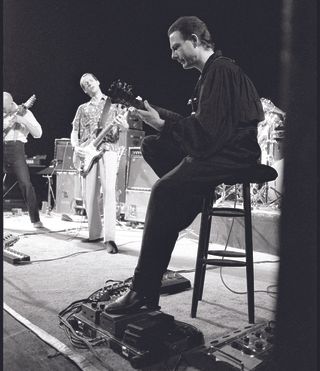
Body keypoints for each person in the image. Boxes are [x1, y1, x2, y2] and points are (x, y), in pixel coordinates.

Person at [105, 16, 265, 314]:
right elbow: (202, 127)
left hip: (232, 155)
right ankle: (191, 195)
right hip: (223, 149)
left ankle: (143, 292)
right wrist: (156, 118)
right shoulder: (212, 73)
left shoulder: (220, 71)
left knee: (164, 192)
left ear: (195, 40)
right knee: (151, 144)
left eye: (176, 46)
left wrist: (163, 124)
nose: (173, 54)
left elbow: (205, 136)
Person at [70, 73, 129, 253]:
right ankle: (94, 232)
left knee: (109, 191)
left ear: (97, 82)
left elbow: (124, 127)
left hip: (108, 149)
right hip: (87, 152)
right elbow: (74, 130)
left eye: (90, 81)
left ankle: (110, 238)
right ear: (85, 90)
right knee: (89, 194)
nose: (88, 84)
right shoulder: (82, 108)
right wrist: (76, 147)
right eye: (84, 84)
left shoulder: (114, 104)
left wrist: (124, 125)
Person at [3, 92, 44, 228]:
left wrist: (23, 121)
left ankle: (35, 220)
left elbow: (38, 134)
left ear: (11, 103)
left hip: (16, 149)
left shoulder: (25, 113)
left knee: (26, 184)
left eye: (4, 108)